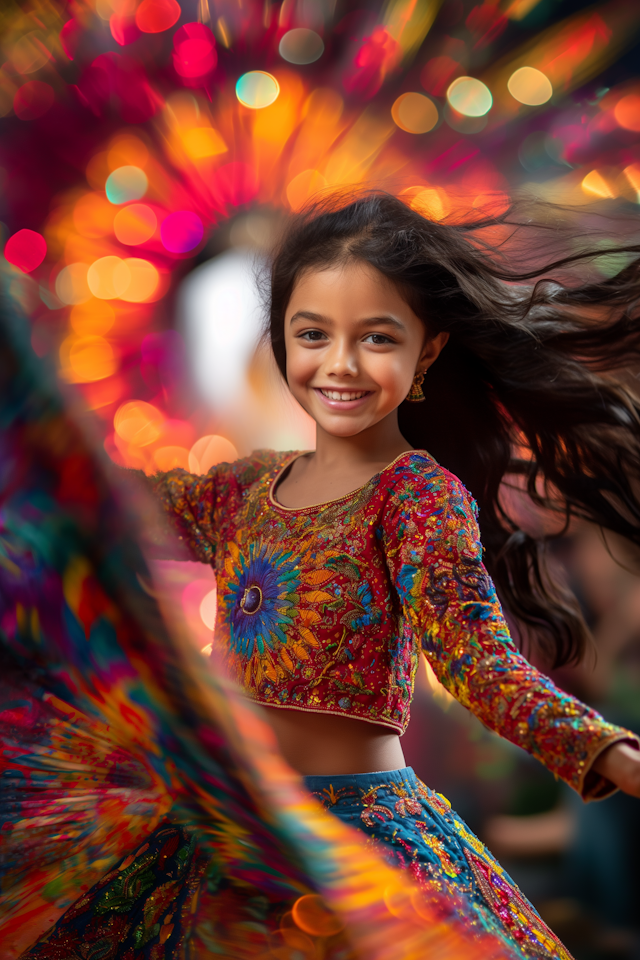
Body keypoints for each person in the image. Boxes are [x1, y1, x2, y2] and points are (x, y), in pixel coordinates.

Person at [3, 191, 640, 959]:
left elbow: (481, 666)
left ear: (428, 351)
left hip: (362, 847)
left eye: (376, 337)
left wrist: (611, 754)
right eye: (312, 335)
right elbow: (95, 510)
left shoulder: (417, 496)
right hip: (221, 838)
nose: (339, 365)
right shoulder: (235, 490)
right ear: (279, 342)